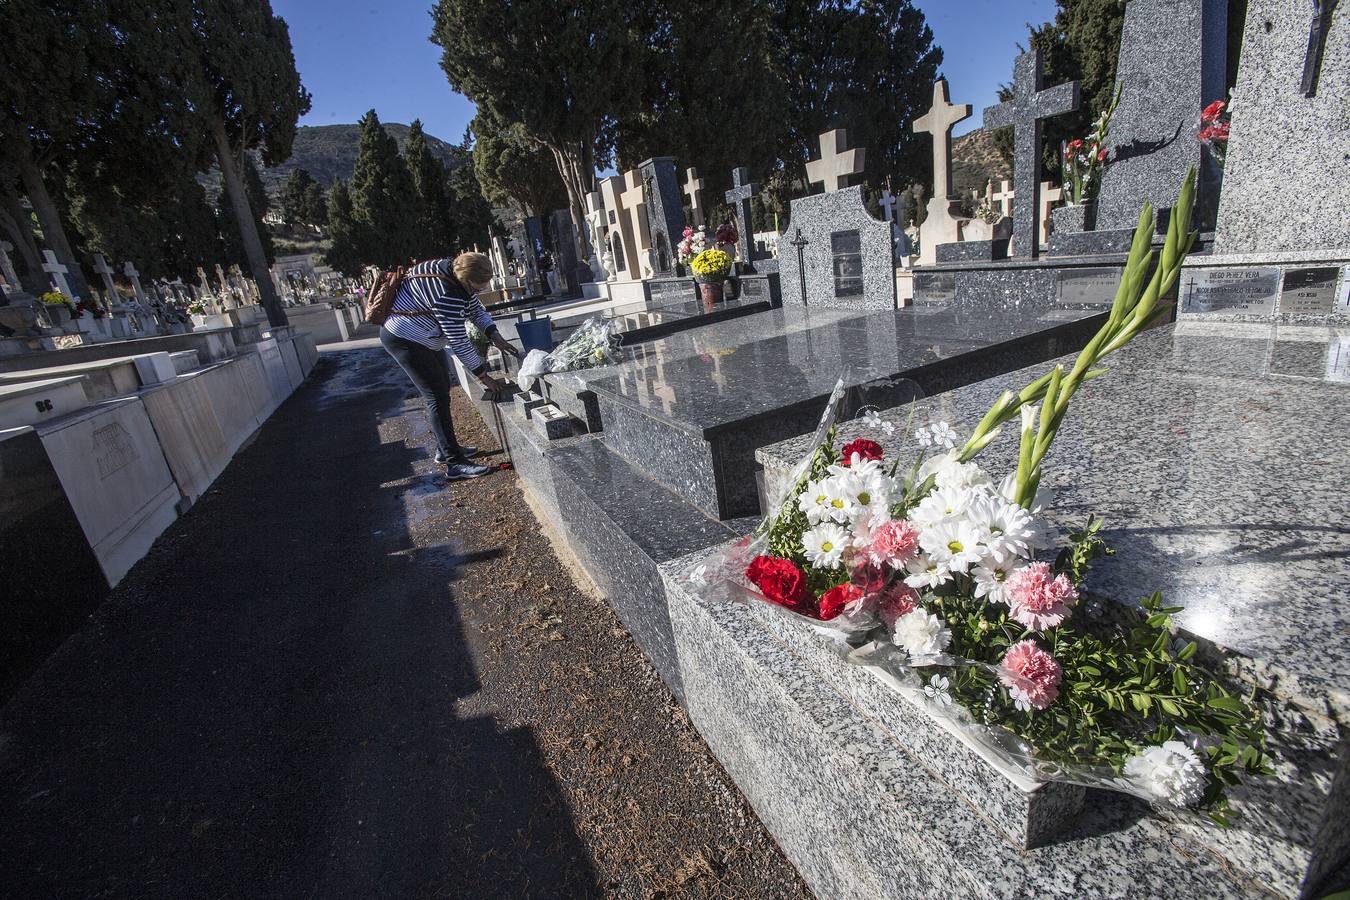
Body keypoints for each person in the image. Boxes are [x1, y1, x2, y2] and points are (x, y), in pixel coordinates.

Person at [380, 251, 521, 481]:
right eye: (477, 287)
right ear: (466, 279)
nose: (479, 292)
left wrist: (494, 334)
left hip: (423, 338)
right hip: (406, 339)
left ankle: (445, 448)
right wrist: (483, 376)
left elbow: (475, 308)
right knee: (435, 396)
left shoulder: (454, 271)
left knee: (441, 389)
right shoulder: (447, 293)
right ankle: (454, 463)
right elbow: (458, 341)